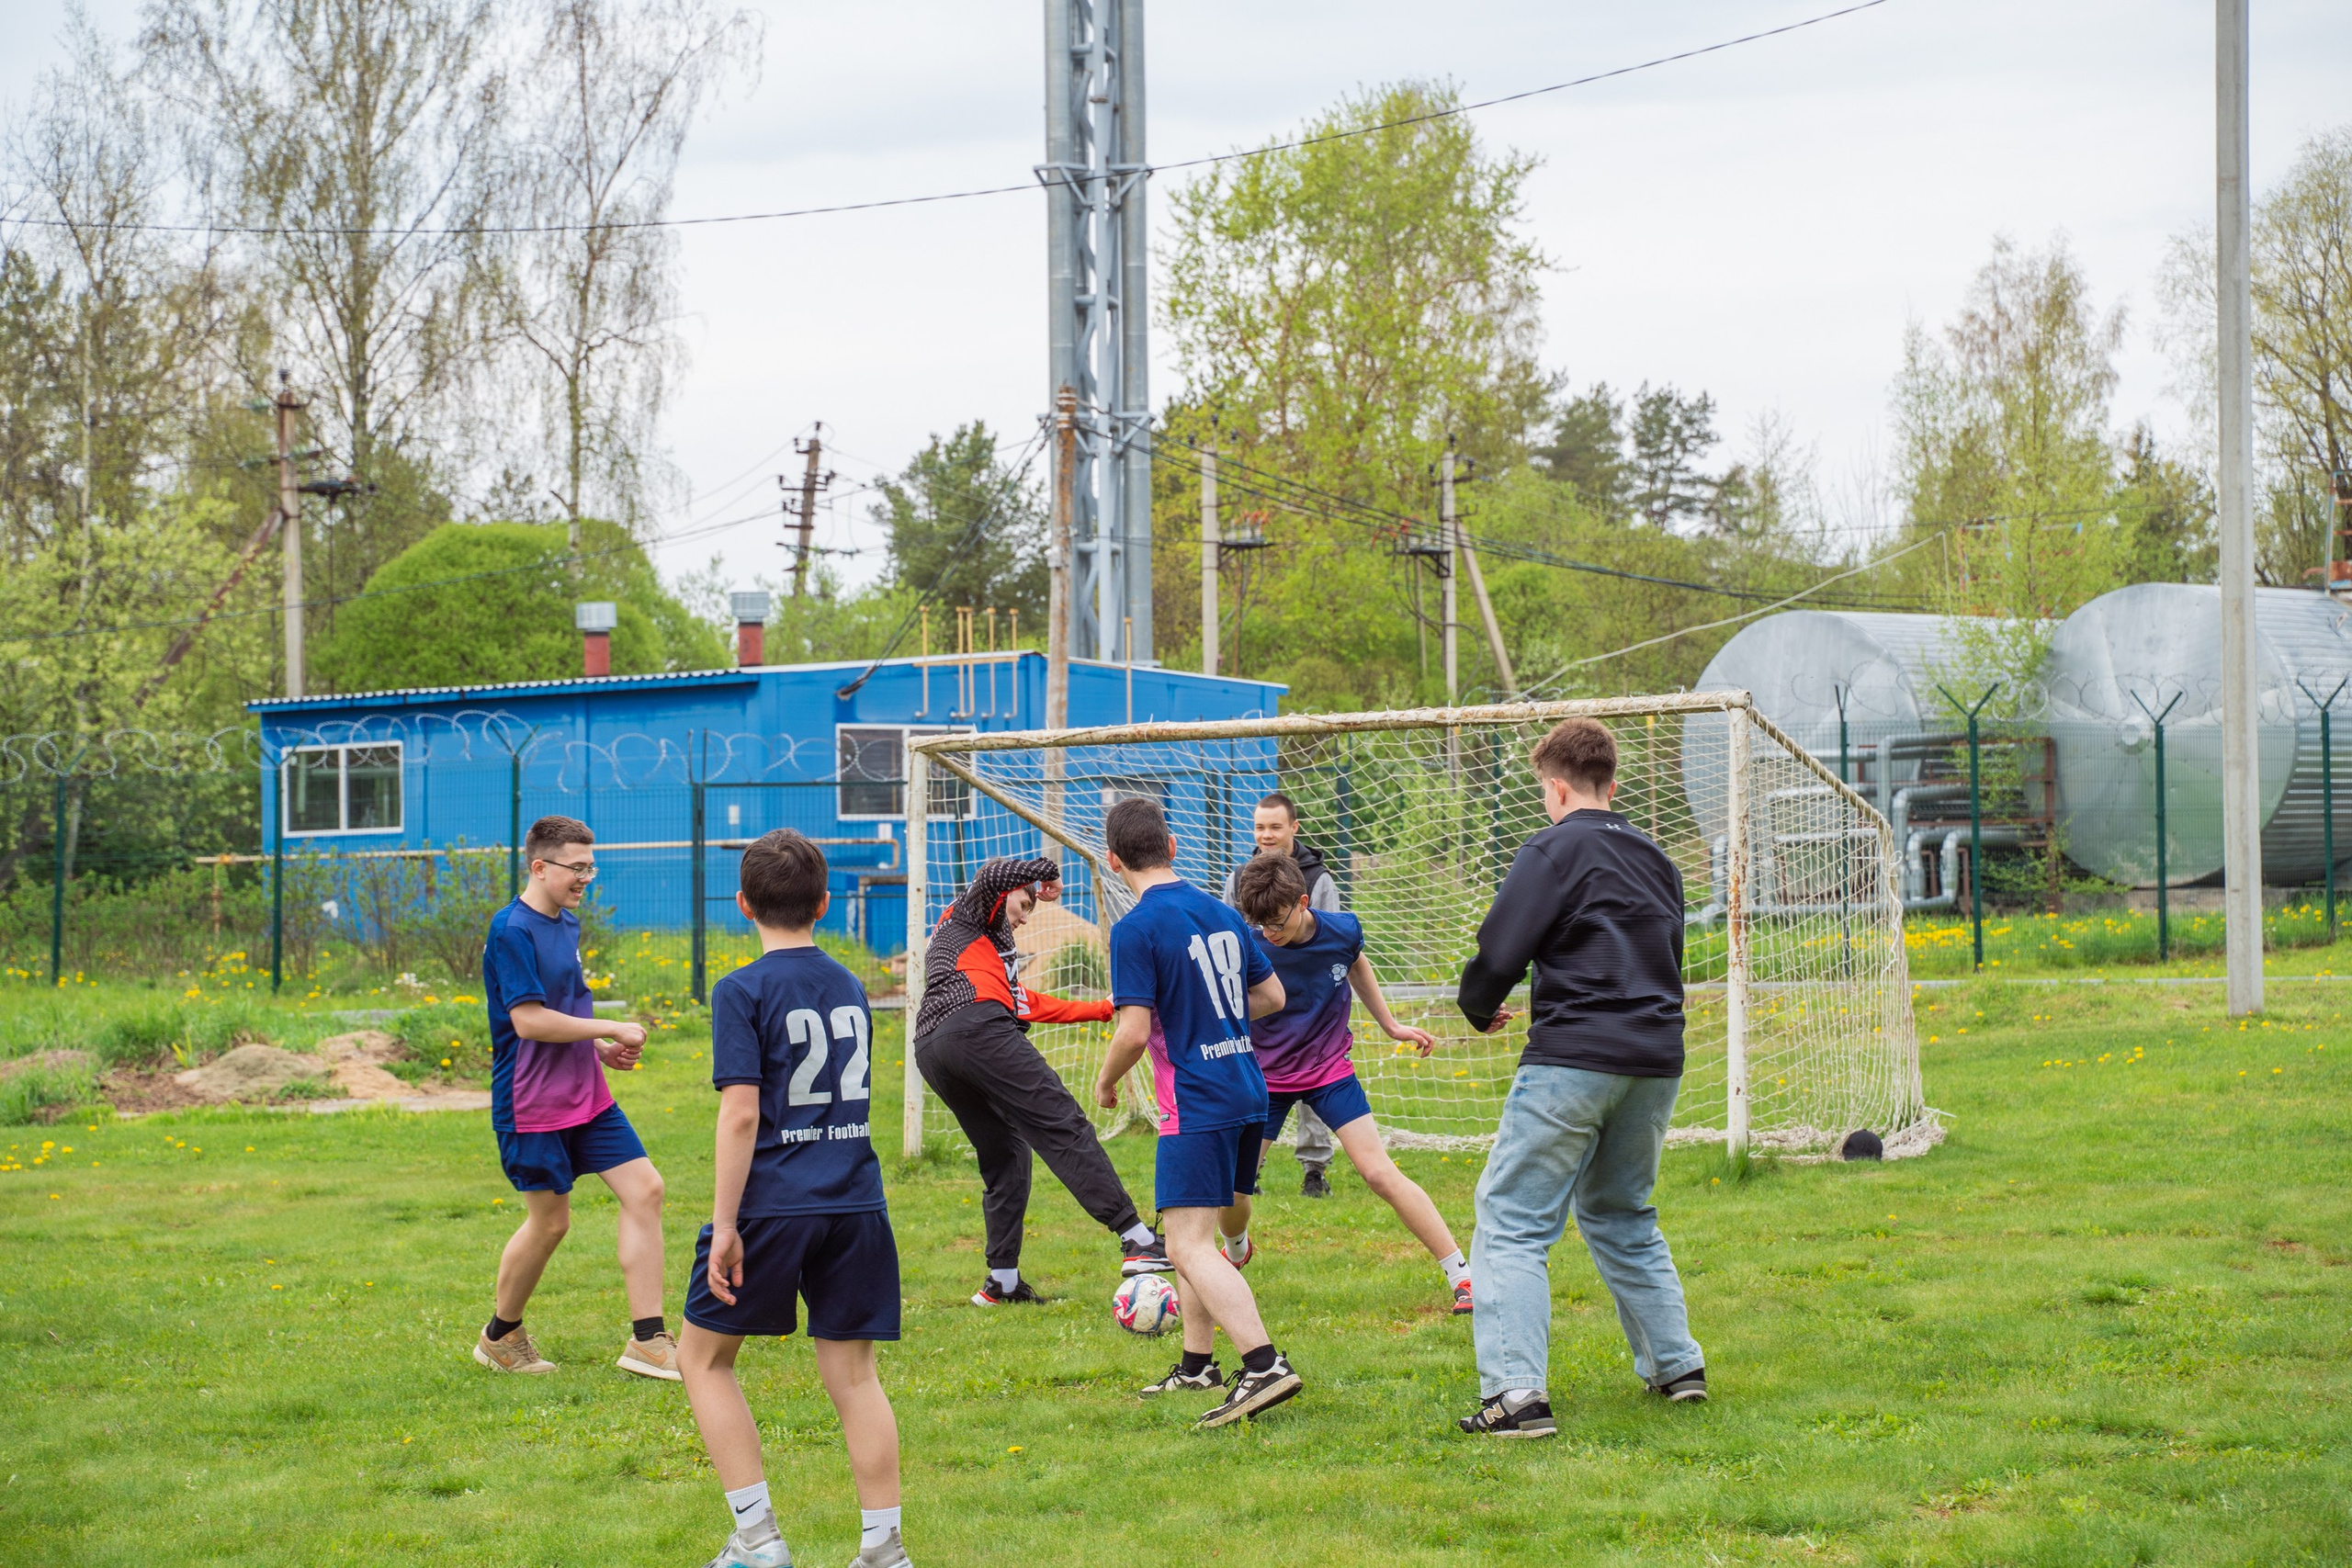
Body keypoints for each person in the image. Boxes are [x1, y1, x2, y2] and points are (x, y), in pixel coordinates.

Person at [1452, 717, 1706, 1439]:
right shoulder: (1658, 857)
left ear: (1556, 788)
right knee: (1622, 1212)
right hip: (1657, 1058)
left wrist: (1478, 1005)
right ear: (1613, 786)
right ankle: (1677, 1365)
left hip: (1576, 1055)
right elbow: (1671, 948)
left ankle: (1515, 1394)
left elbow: (1502, 943)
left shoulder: (1553, 848)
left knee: (1512, 1220)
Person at [677, 829, 910, 1568]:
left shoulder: (740, 988)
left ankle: (757, 1538)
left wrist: (724, 1225)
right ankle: (884, 1549)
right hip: (855, 1200)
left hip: (775, 1203)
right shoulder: (848, 982)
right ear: (825, 901)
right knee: (855, 1375)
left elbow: (742, 1112)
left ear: (743, 903)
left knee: (703, 1358)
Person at [1091, 796, 1303, 1428]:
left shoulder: (1135, 927)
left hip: (1196, 1100)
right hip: (1246, 1087)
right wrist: (1219, 1020)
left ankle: (1263, 1364)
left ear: (1113, 860)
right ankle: (1197, 1364)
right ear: (1174, 846)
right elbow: (1272, 995)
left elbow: (1132, 1033)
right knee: (1203, 1237)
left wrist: (1105, 1085)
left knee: (1185, 1245)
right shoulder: (1219, 907)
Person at [912, 854, 1171, 1303]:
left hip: (933, 1047)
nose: (1027, 917)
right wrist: (1045, 876)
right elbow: (996, 875)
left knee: (1007, 1153)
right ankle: (1138, 1240)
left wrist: (1102, 1008)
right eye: (1025, 904)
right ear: (1004, 895)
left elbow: (1025, 1004)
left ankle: (1002, 1282)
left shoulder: (990, 952)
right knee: (1061, 1122)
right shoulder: (973, 910)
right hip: (975, 1028)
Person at [1220, 852, 1473, 1314]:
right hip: (1264, 1078)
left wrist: (1392, 1025)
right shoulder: (1246, 940)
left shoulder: (1342, 929)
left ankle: (1462, 1274)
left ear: (1302, 901)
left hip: (1328, 1069)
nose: (1270, 934)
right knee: (1234, 1190)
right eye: (1261, 925)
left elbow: (1356, 964)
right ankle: (1236, 1249)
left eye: (1277, 923)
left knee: (1378, 1172)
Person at [476, 814, 674, 1381]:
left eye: (592, 866)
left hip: (587, 1096)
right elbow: (530, 1021)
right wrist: (609, 1027)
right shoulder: (511, 930)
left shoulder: (564, 922)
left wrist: (597, 1053)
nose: (587, 877)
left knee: (646, 1190)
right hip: (532, 1104)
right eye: (577, 867)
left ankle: (649, 1341)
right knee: (550, 1223)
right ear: (540, 867)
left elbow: (565, 1013)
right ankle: (500, 1336)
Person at [1220, 791, 1342, 1198]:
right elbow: (1228, 939)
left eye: (1275, 826)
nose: (1266, 834)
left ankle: (1314, 1168)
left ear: (1294, 827)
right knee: (1253, 1088)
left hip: (1311, 1009)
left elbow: (1335, 942)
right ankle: (1248, 1170)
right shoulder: (1239, 878)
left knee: (1314, 1091)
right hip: (1258, 1006)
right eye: (1259, 827)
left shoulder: (1318, 879)